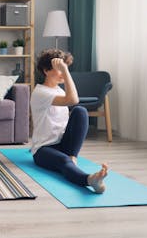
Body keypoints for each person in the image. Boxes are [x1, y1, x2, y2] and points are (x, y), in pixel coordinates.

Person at [30, 49, 108, 193]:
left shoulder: (59, 91)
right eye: (59, 69)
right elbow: (73, 99)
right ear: (46, 70)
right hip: (44, 149)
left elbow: (74, 102)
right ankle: (90, 180)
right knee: (64, 162)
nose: (63, 73)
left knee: (80, 111)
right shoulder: (40, 93)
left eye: (65, 68)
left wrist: (63, 69)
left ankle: (73, 156)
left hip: (64, 144)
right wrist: (65, 71)